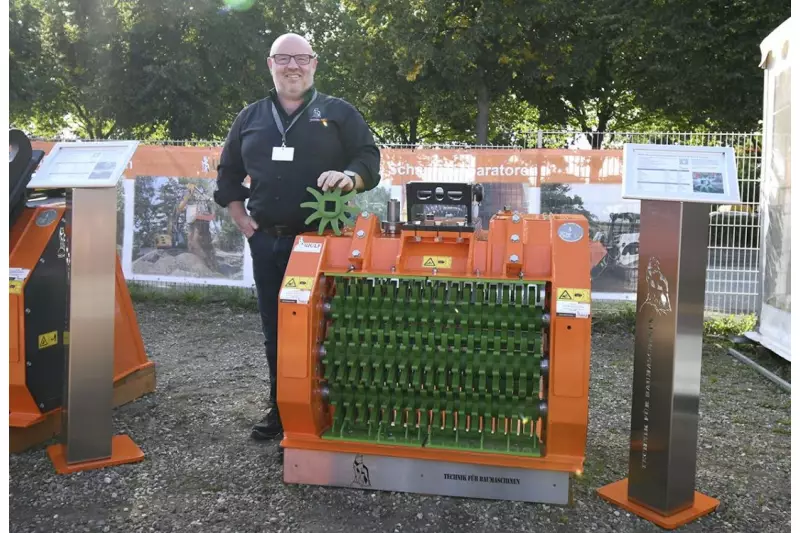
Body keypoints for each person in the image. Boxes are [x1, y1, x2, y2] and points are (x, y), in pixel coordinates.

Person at [213, 32, 381, 440]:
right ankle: (282, 410)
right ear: (270, 64)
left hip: (323, 245)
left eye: (301, 58)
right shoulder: (250, 117)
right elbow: (228, 174)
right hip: (268, 242)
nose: (293, 66)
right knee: (278, 330)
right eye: (283, 58)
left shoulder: (339, 113)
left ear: (314, 63)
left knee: (328, 328)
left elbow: (369, 159)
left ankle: (332, 411)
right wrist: (241, 218)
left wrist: (350, 176)